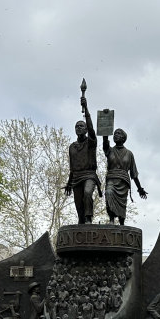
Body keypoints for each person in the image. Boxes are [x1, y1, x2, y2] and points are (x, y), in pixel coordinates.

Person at [64, 95, 102, 224]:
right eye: (76, 126)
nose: (78, 128)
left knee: (87, 193)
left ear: (86, 129)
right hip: (76, 177)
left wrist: (86, 108)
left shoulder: (91, 142)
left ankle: (88, 218)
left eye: (81, 126)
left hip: (89, 175)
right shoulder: (72, 147)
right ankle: (82, 222)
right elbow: (72, 167)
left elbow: (92, 129)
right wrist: (69, 183)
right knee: (78, 204)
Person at [102, 128, 147, 224]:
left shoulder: (129, 154)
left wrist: (140, 189)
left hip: (123, 181)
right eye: (114, 134)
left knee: (122, 203)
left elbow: (134, 174)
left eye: (118, 133)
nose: (115, 135)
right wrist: (105, 128)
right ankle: (111, 219)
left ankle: (121, 222)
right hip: (111, 179)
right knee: (108, 193)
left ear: (123, 138)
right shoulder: (109, 150)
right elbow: (105, 141)